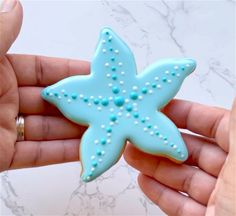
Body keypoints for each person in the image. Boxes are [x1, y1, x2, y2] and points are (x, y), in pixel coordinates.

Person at [0, 0, 235, 215]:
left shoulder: (133, 89)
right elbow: (63, 93)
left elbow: (169, 75)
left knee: (172, 147)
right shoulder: (95, 90)